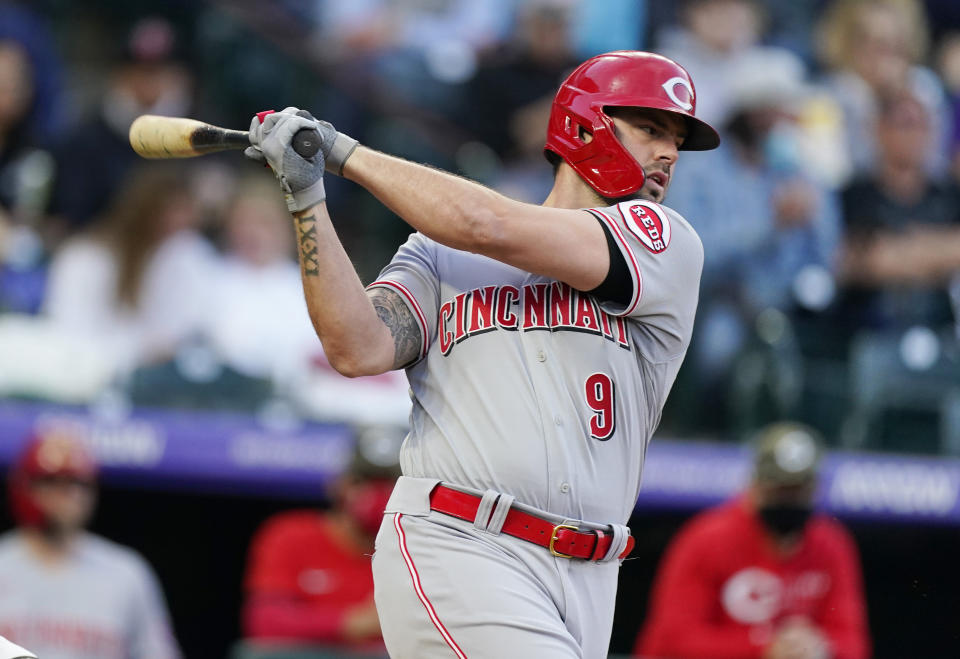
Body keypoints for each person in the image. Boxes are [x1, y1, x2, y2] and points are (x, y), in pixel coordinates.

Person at [245, 49, 719, 658]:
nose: (669, 154)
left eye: (677, 138)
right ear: (584, 124)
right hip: (459, 541)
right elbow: (358, 347)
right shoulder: (439, 254)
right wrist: (308, 197)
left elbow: (485, 224)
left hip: (593, 572)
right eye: (652, 129)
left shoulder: (666, 245)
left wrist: (341, 152)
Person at [635, 422, 870, 659]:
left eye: (799, 491)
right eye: (779, 490)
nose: (790, 500)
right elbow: (673, 642)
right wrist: (762, 648)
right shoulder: (707, 538)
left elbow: (853, 644)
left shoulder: (832, 543)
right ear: (755, 485)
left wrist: (819, 646)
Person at [0, 429, 181, 659]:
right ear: (26, 486)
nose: (70, 494)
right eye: (55, 482)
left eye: (79, 483)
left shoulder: (126, 573)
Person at [242, 425, 404, 651]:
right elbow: (264, 621)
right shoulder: (290, 535)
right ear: (338, 484)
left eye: (389, 483)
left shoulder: (420, 550)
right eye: (362, 481)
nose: (375, 494)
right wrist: (354, 623)